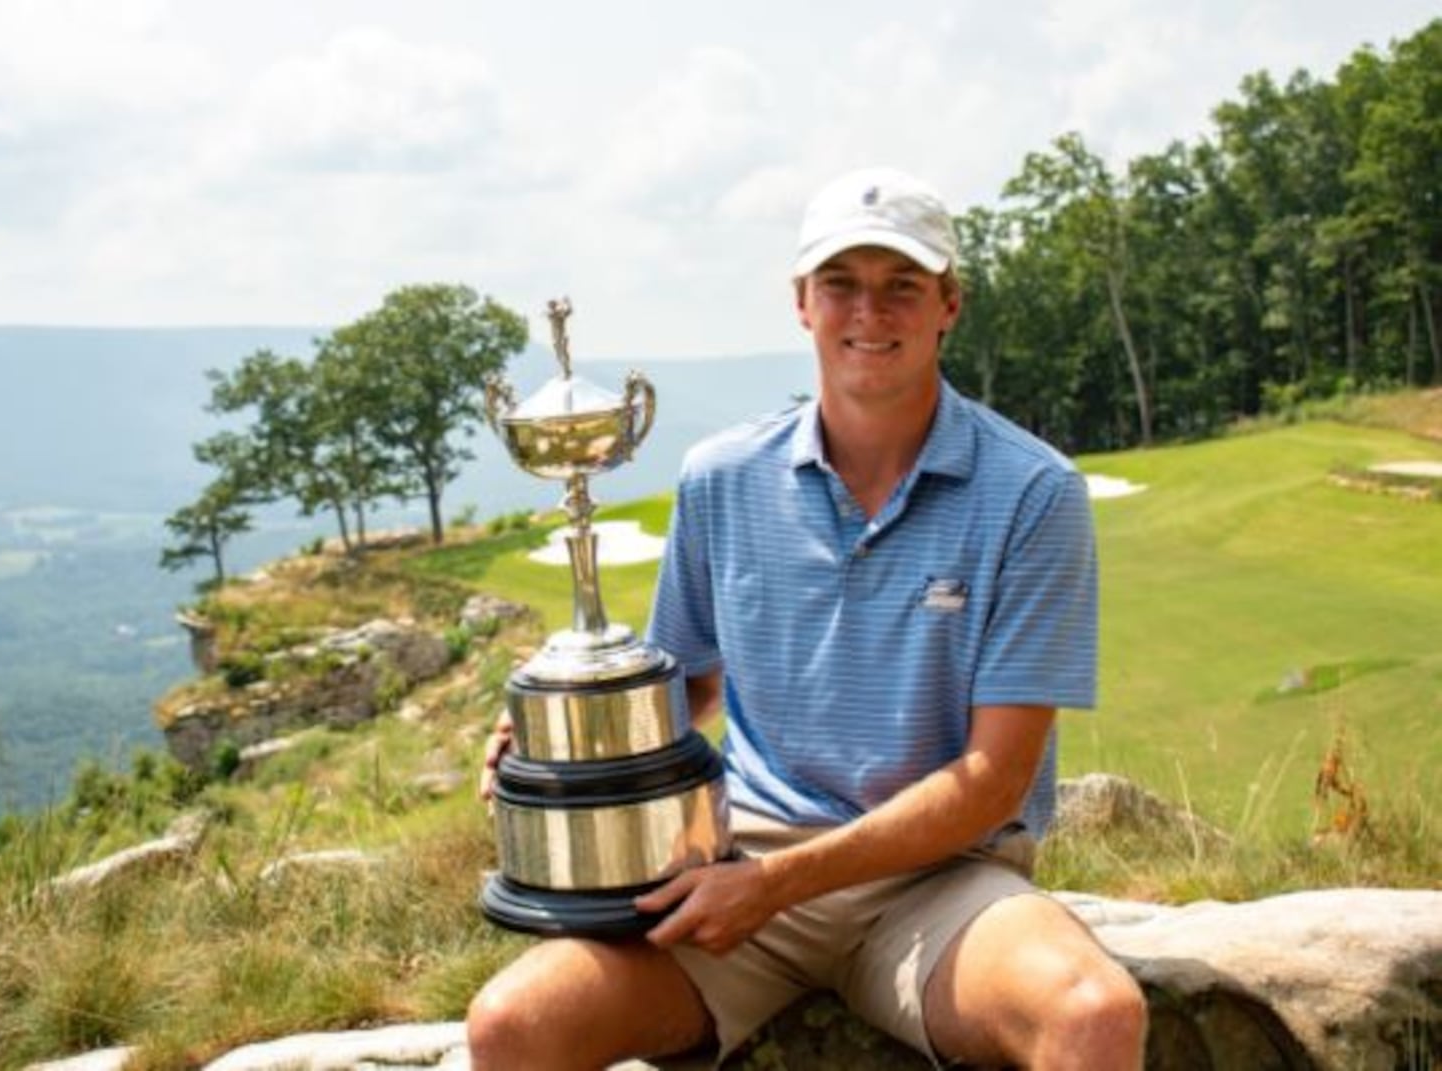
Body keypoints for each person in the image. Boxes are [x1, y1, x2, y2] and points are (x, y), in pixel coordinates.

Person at [468, 167, 1148, 1070]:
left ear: (950, 303)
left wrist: (777, 883)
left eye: (902, 284)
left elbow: (993, 779)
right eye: (841, 285)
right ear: (802, 302)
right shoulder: (721, 476)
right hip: (739, 866)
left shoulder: (1031, 491)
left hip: (940, 882)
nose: (870, 311)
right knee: (511, 1025)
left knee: (1094, 1014)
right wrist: (570, 741)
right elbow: (691, 684)